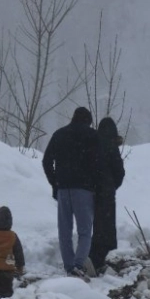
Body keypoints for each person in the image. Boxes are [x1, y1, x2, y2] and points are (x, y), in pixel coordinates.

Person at [42, 107, 100, 281]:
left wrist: (55, 183)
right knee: (84, 231)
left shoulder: (59, 134)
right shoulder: (93, 136)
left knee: (64, 231)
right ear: (88, 121)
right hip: (84, 190)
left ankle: (69, 267)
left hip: (63, 189)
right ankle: (78, 265)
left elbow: (46, 161)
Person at [89, 117, 125, 276]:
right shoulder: (112, 145)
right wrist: (112, 185)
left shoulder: (93, 145)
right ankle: (104, 257)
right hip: (107, 192)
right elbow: (119, 171)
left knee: (96, 225)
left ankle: (94, 257)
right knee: (107, 225)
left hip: (93, 190)